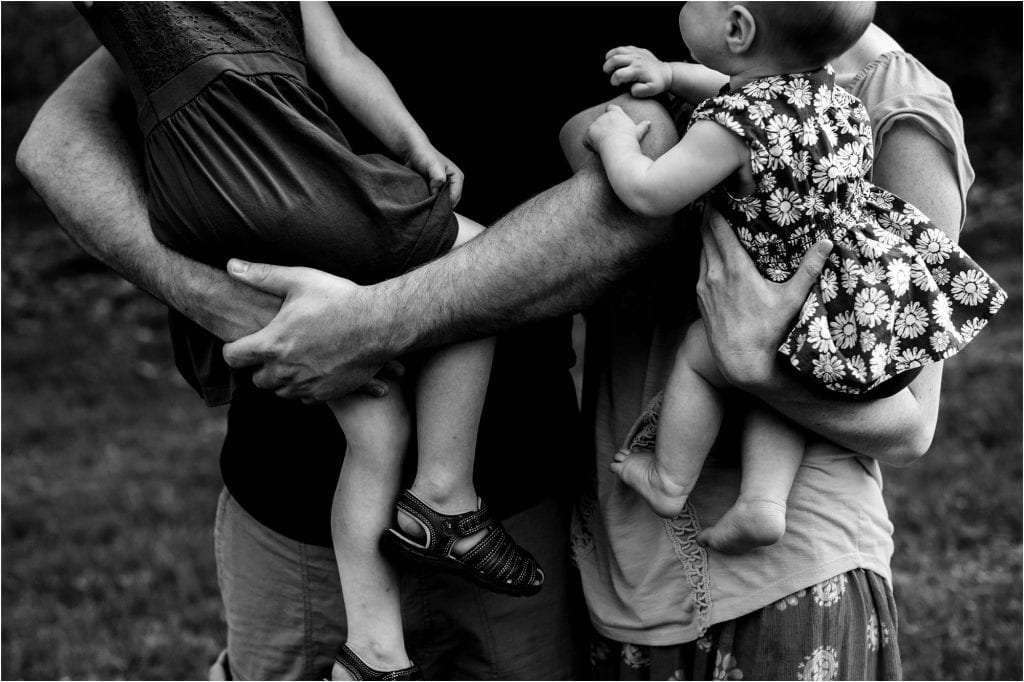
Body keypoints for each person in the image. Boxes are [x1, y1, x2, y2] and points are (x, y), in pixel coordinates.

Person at [212, 19, 974, 682]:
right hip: (626, 576)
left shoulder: (892, 100)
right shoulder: (721, 62)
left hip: (777, 581)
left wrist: (747, 365)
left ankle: (757, 500)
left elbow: (910, 423)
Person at [18, 6, 689, 679]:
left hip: (516, 480)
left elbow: (630, 209)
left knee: (376, 423)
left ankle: (401, 587)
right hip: (287, 505)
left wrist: (371, 324)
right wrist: (223, 303)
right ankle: (427, 532)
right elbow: (57, 142)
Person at [75, 2, 543, 678]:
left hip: (181, 172)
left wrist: (413, 144)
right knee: (477, 261)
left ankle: (372, 654)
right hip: (267, 143)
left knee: (375, 416)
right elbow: (340, 57)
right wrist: (414, 145)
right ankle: (447, 499)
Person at [585, 1, 1004, 555]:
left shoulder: (728, 129)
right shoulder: (836, 100)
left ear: (737, 28)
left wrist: (615, 139)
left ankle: (667, 479)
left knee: (700, 357)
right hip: (828, 303)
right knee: (787, 380)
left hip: (760, 295)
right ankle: (762, 502)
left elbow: (648, 192)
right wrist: (668, 74)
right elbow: (729, 83)